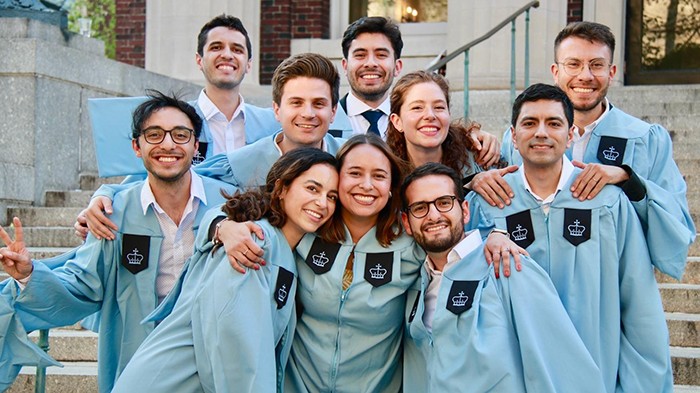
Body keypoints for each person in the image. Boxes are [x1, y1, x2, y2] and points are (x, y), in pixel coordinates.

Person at [0, 91, 234, 392]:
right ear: (137, 147)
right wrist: (28, 275)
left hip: (215, 360)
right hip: (142, 360)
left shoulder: (230, 204)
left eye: (180, 135)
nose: (168, 144)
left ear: (195, 146)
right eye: (154, 135)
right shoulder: (115, 214)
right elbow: (82, 287)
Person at [467, 83, 672, 392]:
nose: (541, 133)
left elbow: (638, 299)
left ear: (572, 135)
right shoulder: (486, 204)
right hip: (514, 374)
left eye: (553, 123)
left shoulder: (607, 203)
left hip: (594, 367)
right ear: (513, 134)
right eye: (529, 123)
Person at [471, 21, 695, 279]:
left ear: (611, 72)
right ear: (556, 71)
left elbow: (676, 225)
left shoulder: (645, 140)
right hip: (534, 279)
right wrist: (477, 177)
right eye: (573, 64)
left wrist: (627, 179)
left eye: (596, 65)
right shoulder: (519, 140)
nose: (585, 76)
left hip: (611, 284)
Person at [111, 148, 339, 392]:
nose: (322, 203)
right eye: (312, 189)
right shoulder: (253, 244)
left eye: (332, 196)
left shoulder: (281, 250)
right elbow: (235, 346)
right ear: (282, 189)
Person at [219, 134, 423, 392]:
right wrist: (220, 226)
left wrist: (493, 231)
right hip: (297, 385)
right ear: (338, 178)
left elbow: (453, 237)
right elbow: (248, 207)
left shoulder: (411, 245)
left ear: (392, 185)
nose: (367, 185)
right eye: (355, 173)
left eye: (379, 176)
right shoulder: (309, 226)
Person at [83, 53, 345, 247]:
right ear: (276, 109)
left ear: (333, 111)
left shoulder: (349, 160)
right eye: (296, 102)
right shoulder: (241, 164)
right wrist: (106, 194)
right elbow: (173, 179)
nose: (308, 114)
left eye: (319, 103)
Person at [400, 162, 604, 392]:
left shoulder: (507, 265)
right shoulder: (415, 285)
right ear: (407, 223)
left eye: (444, 203)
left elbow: (561, 362)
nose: (434, 215)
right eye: (419, 208)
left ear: (465, 211)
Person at [75, 14, 280, 239]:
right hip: (193, 233)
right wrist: (102, 195)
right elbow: (141, 177)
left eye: (237, 49)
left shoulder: (272, 123)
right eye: (216, 47)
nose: (227, 55)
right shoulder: (175, 121)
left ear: (249, 63)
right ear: (199, 59)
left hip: (256, 233)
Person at [331, 17, 500, 168]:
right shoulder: (325, 126)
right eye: (360, 55)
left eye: (381, 55)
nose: (370, 63)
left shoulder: (419, 124)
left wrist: (471, 136)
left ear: (397, 67)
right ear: (345, 66)